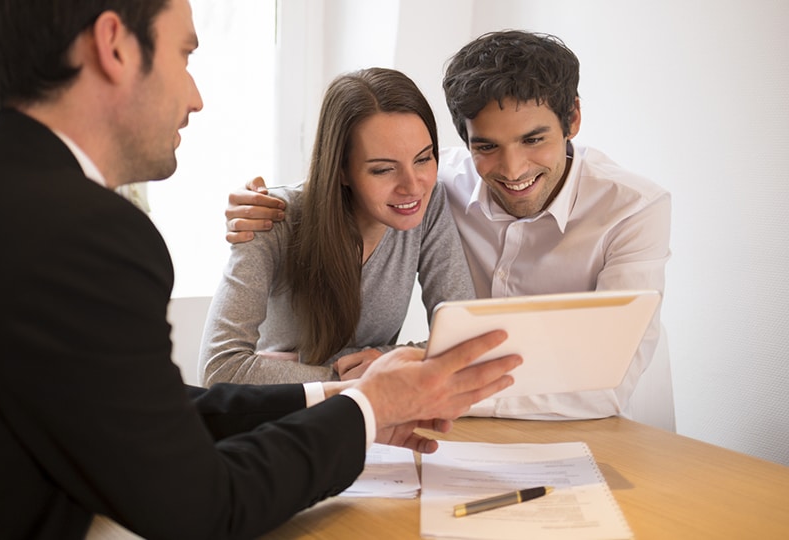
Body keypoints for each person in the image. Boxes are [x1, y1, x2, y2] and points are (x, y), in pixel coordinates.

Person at [0, 1, 523, 538]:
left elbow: (159, 409)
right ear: (114, 45)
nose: (195, 96)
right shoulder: (75, 234)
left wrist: (345, 399)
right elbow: (202, 509)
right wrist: (374, 408)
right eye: (185, 54)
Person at [224, 30, 671, 421]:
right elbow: (346, 178)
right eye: (487, 146)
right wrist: (275, 207)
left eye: (534, 139)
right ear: (464, 140)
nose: (513, 170)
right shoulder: (436, 187)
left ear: (571, 119)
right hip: (416, 419)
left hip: (582, 421)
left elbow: (603, 383)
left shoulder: (632, 210)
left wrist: (408, 378)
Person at [200, 67, 474, 387]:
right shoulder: (271, 217)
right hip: (285, 417)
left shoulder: (431, 203)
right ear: (341, 170)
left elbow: (464, 342)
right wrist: (358, 376)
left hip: (367, 415)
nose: (413, 186)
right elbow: (219, 370)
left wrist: (387, 360)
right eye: (384, 170)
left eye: (424, 159)